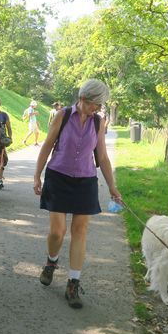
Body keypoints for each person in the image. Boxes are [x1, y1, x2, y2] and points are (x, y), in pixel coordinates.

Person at [33, 79, 122, 309]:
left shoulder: (98, 123)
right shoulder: (62, 115)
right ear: (84, 99)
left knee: (80, 230)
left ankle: (73, 282)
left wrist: (112, 186)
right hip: (58, 177)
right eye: (96, 104)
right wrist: (37, 176)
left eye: (100, 105)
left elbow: (102, 157)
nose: (98, 109)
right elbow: (47, 145)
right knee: (57, 232)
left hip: (85, 180)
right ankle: (51, 262)